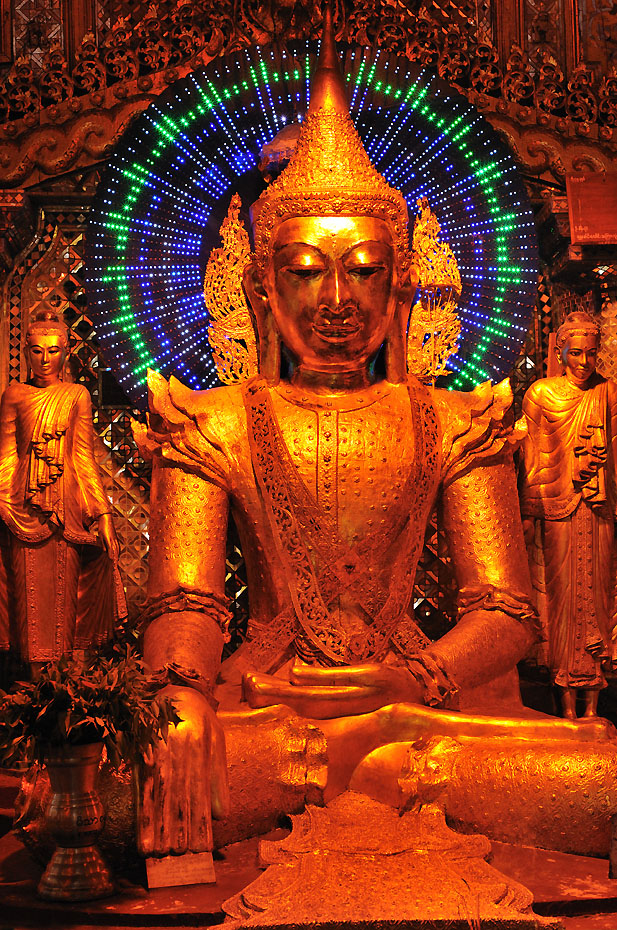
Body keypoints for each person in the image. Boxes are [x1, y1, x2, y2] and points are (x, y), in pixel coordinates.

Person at [132, 10, 551, 866]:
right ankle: (353, 772)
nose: (335, 301)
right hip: (264, 706)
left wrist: (415, 680)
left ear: (399, 283)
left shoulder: (451, 418)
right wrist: (180, 694)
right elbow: (185, 601)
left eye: (362, 270)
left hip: (416, 711)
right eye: (306, 271)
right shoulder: (209, 422)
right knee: (127, 778)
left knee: (597, 772)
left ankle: (369, 768)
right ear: (259, 286)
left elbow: (505, 612)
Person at [0, 310, 123, 671]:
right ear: (26, 353)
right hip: (21, 508)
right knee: (27, 604)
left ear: (66, 352)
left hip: (65, 507)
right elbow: (6, 455)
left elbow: (84, 458)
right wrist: (4, 503)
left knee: (62, 603)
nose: (44, 359)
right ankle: (31, 695)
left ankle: (64, 690)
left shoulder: (76, 395)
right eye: (36, 351)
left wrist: (102, 515)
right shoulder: (14, 395)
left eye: (53, 351)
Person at [519, 311, 617, 719]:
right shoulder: (542, 394)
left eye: (591, 354)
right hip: (559, 506)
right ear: (560, 353)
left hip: (600, 509)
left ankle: (594, 704)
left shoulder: (608, 393)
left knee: (598, 594)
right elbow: (533, 456)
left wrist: (600, 470)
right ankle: (564, 702)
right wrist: (530, 510)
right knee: (560, 601)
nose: (583, 362)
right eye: (575, 353)